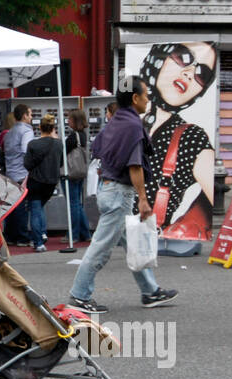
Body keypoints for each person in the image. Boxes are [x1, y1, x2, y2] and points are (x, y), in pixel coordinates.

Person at [67, 78, 178, 314]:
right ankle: (79, 295)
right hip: (120, 193)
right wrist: (144, 199)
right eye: (146, 95)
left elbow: (99, 153)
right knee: (100, 248)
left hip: (108, 188)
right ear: (135, 98)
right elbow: (135, 166)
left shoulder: (115, 122)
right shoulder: (133, 126)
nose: (148, 100)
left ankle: (150, 291)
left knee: (132, 242)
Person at [138, 43, 217, 240]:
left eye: (202, 74)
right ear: (159, 58)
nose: (190, 73)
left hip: (147, 240)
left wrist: (191, 219)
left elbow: (214, 192)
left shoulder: (192, 139)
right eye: (184, 58)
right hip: (117, 233)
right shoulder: (129, 121)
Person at [22, 113, 62, 252]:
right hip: (51, 182)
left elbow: (27, 164)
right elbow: (61, 163)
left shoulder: (33, 144)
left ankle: (38, 242)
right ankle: (42, 233)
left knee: (35, 210)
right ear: (53, 128)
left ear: (40, 127)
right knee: (39, 208)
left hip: (36, 181)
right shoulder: (58, 144)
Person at [2, 104, 35, 245]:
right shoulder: (26, 131)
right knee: (22, 207)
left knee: (11, 205)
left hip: (10, 172)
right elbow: (26, 150)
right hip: (22, 172)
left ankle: (9, 236)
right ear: (24, 116)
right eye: (30, 114)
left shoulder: (9, 132)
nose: (32, 117)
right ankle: (22, 237)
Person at [62, 109, 93, 242]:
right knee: (77, 204)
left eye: (70, 119)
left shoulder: (73, 136)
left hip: (70, 173)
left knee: (73, 205)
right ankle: (85, 234)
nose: (68, 121)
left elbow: (62, 153)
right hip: (80, 173)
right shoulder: (83, 135)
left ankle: (73, 235)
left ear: (75, 121)